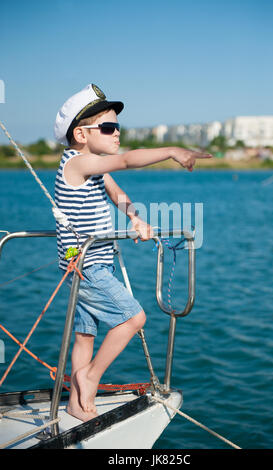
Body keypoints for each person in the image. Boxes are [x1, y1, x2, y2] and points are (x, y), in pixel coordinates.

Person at [54, 83, 212, 422]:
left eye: (118, 128)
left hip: (92, 265)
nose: (117, 135)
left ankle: (76, 403)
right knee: (133, 318)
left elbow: (116, 190)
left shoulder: (95, 167)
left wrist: (135, 218)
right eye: (109, 128)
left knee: (85, 334)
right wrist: (171, 149)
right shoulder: (77, 164)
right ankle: (89, 377)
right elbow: (126, 160)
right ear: (81, 134)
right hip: (88, 267)